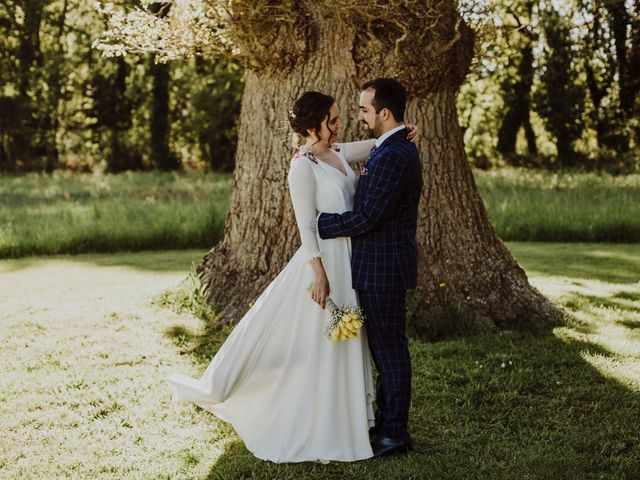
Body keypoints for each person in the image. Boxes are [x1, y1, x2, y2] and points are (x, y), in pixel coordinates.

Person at [168, 90, 418, 463]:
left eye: (338, 119)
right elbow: (306, 225)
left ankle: (352, 417)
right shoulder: (302, 165)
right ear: (313, 125)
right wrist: (318, 273)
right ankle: (318, 417)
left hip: (354, 261)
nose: (338, 125)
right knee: (323, 342)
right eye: (331, 120)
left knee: (349, 342)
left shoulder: (338, 152)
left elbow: (372, 145)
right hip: (328, 263)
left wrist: (404, 131)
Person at [317, 78, 423, 457]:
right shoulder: (388, 146)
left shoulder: (395, 155)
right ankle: (384, 424)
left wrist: (321, 225)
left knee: (390, 350)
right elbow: (339, 150)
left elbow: (367, 217)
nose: (359, 115)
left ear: (384, 112)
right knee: (383, 349)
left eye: (364, 109)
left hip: (384, 268)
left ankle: (394, 434)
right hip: (377, 266)